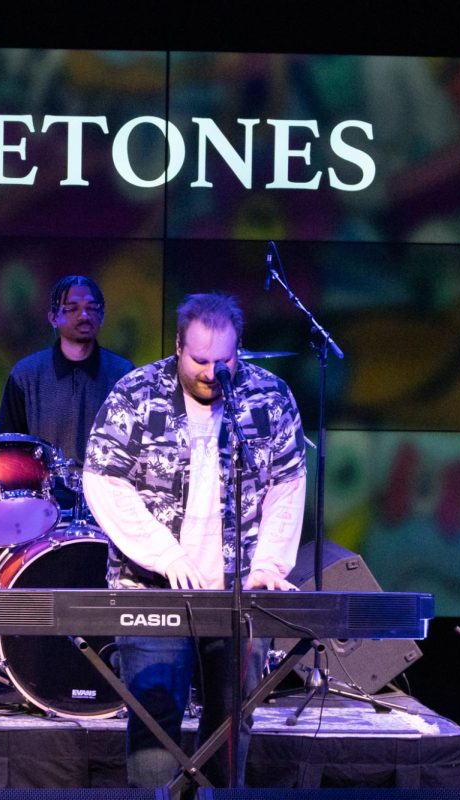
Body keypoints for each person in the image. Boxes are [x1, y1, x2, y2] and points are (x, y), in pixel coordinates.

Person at [82, 293, 307, 789]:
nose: (211, 371)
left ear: (239, 350)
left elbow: (287, 485)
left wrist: (269, 564)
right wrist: (166, 555)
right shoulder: (135, 394)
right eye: (199, 360)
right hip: (150, 589)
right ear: (178, 346)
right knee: (156, 715)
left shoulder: (269, 398)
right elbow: (103, 479)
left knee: (233, 718)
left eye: (222, 361)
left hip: (239, 591)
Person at [0, 275, 134, 509]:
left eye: (92, 308)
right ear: (53, 317)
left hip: (108, 506)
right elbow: (8, 449)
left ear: (102, 315)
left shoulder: (124, 375)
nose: (84, 315)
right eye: (72, 308)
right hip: (42, 505)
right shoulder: (26, 375)